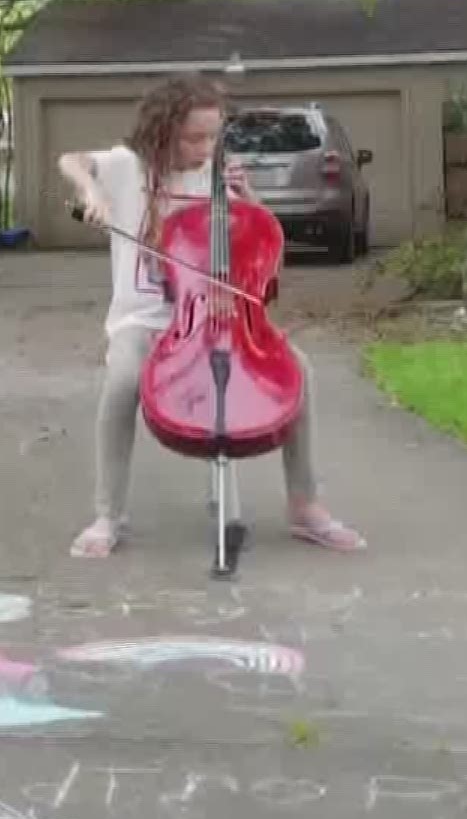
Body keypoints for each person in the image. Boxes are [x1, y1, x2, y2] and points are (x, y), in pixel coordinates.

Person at [59, 72, 367, 560]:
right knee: (121, 381)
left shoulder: (216, 180)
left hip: (212, 317)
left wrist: (250, 202)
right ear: (163, 130)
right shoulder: (127, 167)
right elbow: (71, 160)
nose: (205, 148)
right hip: (143, 320)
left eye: (212, 137)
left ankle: (305, 506)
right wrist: (91, 193)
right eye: (193, 138)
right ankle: (107, 516)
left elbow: (263, 254)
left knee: (298, 370)